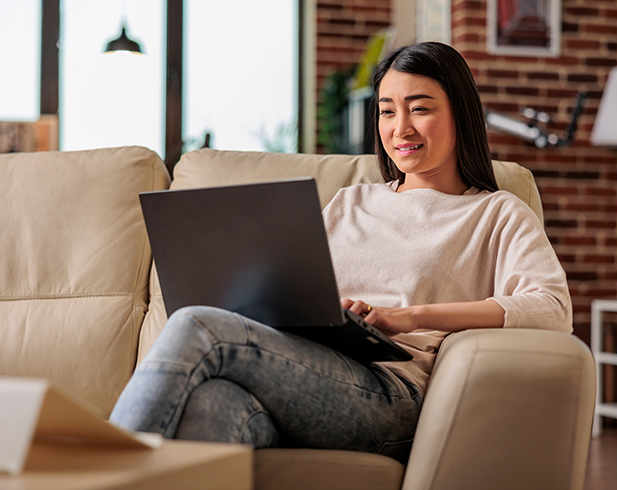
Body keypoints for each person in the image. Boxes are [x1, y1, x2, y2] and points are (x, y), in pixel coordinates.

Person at [109, 42, 572, 463]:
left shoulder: (495, 213)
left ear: (460, 114)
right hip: (309, 367)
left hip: (391, 393)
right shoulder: (354, 201)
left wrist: (407, 316)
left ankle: (89, 471)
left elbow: (552, 309)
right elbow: (300, 288)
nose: (400, 127)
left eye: (420, 109)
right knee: (214, 407)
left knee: (194, 324)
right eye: (387, 112)